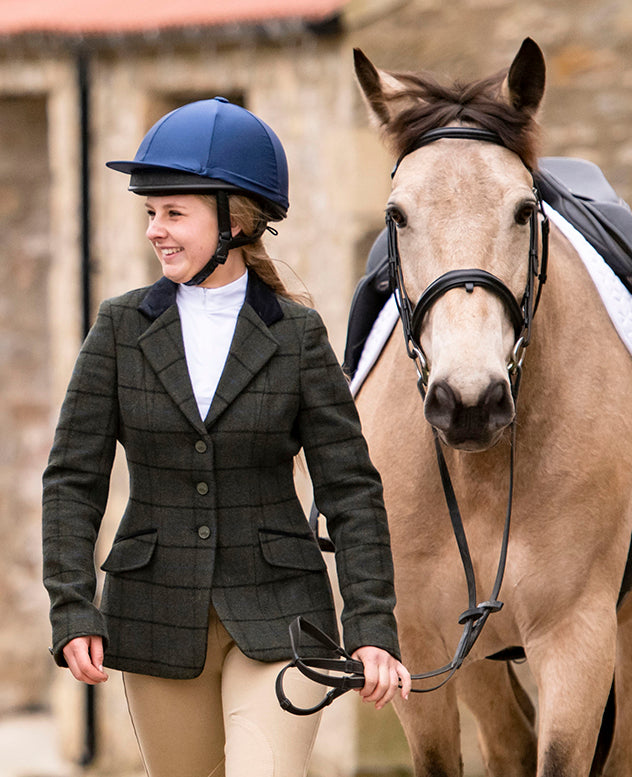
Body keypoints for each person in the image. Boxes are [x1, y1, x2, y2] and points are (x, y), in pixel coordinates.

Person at [42, 96, 410, 777]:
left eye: (173, 212)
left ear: (234, 221)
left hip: (282, 615)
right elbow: (73, 478)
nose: (155, 229)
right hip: (154, 612)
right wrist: (72, 608)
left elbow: (350, 489)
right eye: (151, 213)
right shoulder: (119, 328)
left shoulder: (297, 337)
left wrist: (372, 628)